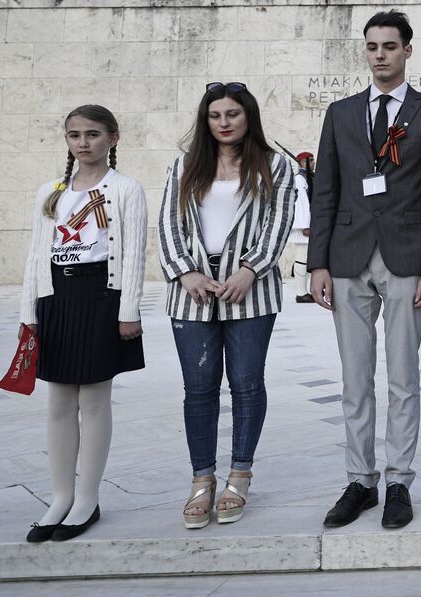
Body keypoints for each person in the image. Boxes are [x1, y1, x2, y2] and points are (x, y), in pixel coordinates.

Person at [308, 10, 421, 530]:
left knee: (403, 376)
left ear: (407, 51)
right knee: (354, 378)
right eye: (372, 46)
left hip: (407, 257)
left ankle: (398, 481)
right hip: (347, 257)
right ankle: (359, 480)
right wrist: (318, 263)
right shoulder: (341, 113)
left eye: (389, 46)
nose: (380, 55)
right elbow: (323, 191)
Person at [157, 82, 298, 528]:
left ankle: (240, 474)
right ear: (206, 120)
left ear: (248, 116)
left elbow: (279, 222)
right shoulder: (184, 166)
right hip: (192, 291)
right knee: (198, 389)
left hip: (250, 290)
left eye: (233, 114)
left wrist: (250, 269)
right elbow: (167, 223)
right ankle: (202, 480)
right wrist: (186, 271)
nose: (224, 122)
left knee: (246, 384)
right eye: (216, 115)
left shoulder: (275, 167)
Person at [18, 104, 146, 543]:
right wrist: (28, 314)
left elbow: (132, 252)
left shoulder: (125, 189)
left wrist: (129, 310)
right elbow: (37, 254)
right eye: (75, 135)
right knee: (58, 402)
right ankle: (60, 496)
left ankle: (87, 499)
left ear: (113, 137)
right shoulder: (51, 191)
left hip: (101, 296)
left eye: (93, 134)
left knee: (93, 400)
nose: (83, 143)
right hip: (56, 296)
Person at [291, 151, 316, 303]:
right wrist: (305, 226)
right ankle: (301, 293)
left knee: (308, 257)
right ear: (302, 162)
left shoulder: (309, 177)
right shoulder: (299, 179)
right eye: (310, 160)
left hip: (311, 223)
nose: (313, 162)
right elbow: (301, 204)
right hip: (304, 226)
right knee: (301, 257)